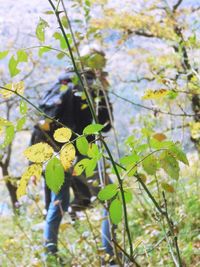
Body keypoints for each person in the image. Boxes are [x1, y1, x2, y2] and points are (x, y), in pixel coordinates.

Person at [30, 54, 116, 265]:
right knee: (111, 198)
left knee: (58, 203)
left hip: (53, 153)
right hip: (79, 152)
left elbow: (42, 122)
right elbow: (105, 125)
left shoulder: (61, 82)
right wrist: (104, 93)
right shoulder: (91, 87)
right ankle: (111, 257)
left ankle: (50, 256)